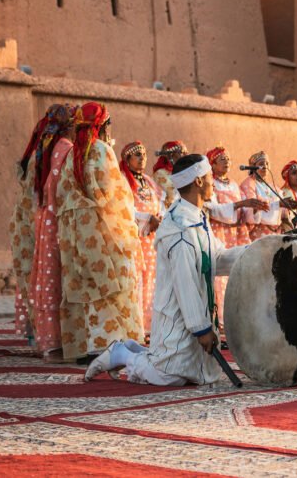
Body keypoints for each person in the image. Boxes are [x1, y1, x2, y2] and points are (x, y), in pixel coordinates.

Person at [85, 154, 246, 385]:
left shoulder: (197, 217)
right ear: (199, 181)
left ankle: (134, 351)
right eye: (210, 176)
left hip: (193, 315)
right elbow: (185, 281)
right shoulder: (180, 226)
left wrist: (255, 253)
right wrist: (200, 329)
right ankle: (121, 354)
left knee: (198, 375)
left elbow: (215, 258)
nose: (213, 182)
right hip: (179, 316)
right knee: (168, 375)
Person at [56, 102, 143, 362]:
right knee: (112, 280)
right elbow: (114, 194)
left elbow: (63, 194)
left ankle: (87, 345)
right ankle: (113, 345)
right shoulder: (102, 150)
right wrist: (127, 228)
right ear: (102, 126)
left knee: (83, 283)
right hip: (100, 226)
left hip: (74, 231)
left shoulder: (71, 155)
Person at [9, 103, 75, 357]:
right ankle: (52, 342)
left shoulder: (41, 151)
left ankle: (41, 338)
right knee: (51, 278)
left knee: (38, 276)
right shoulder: (61, 150)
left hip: (32, 220)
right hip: (48, 220)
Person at [204, 146, 266, 327]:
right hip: (219, 233)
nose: (226, 162)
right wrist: (241, 204)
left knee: (237, 274)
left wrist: (254, 208)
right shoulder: (211, 185)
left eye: (228, 159)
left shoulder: (233, 184)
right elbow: (214, 210)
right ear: (212, 164)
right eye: (221, 159)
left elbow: (246, 214)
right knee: (220, 277)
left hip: (236, 233)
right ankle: (221, 320)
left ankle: (237, 317)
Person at [119, 141, 164, 329]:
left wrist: (158, 218)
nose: (142, 158)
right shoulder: (123, 180)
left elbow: (160, 202)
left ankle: (148, 325)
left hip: (151, 239)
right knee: (136, 279)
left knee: (151, 280)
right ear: (127, 159)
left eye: (144, 155)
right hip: (134, 237)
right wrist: (147, 219)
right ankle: (136, 326)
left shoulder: (149, 180)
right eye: (137, 155)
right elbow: (124, 208)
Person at [239, 151, 290, 240]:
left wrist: (286, 209)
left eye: (267, 163)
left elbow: (282, 211)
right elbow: (252, 211)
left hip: (276, 233)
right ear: (253, 167)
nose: (265, 166)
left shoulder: (273, 187)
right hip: (259, 234)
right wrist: (278, 204)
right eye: (261, 163)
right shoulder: (248, 184)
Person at [152, 141, 187, 208]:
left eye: (186, 152)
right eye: (182, 152)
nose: (185, 155)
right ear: (171, 155)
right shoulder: (160, 174)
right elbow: (172, 195)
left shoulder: (180, 172)